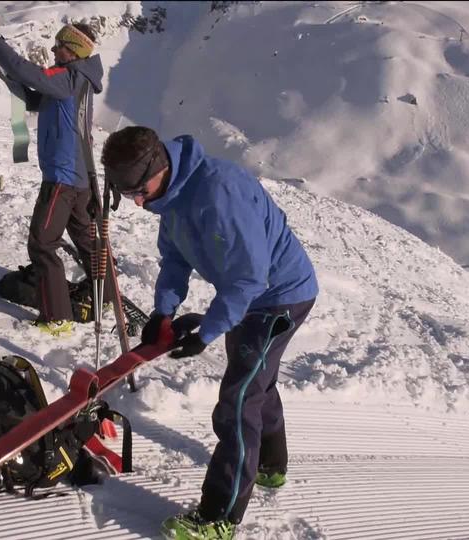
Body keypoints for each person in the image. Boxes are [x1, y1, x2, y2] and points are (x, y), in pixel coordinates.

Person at [101, 126, 319, 539]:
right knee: (255, 380)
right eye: (127, 194)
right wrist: (162, 312)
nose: (137, 201)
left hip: (280, 296)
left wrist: (207, 332)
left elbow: (248, 280)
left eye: (137, 190)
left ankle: (220, 516)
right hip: (252, 294)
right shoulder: (172, 196)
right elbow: (175, 259)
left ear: (158, 167)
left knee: (239, 399)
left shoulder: (220, 194)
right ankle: (271, 465)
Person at [0, 20, 107, 337]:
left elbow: (29, 72)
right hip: (79, 179)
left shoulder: (68, 78)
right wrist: (6, 75)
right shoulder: (78, 81)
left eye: (60, 45)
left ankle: (58, 316)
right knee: (86, 243)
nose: (54, 49)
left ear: (73, 52)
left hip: (61, 178)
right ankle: (104, 296)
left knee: (43, 244)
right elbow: (34, 98)